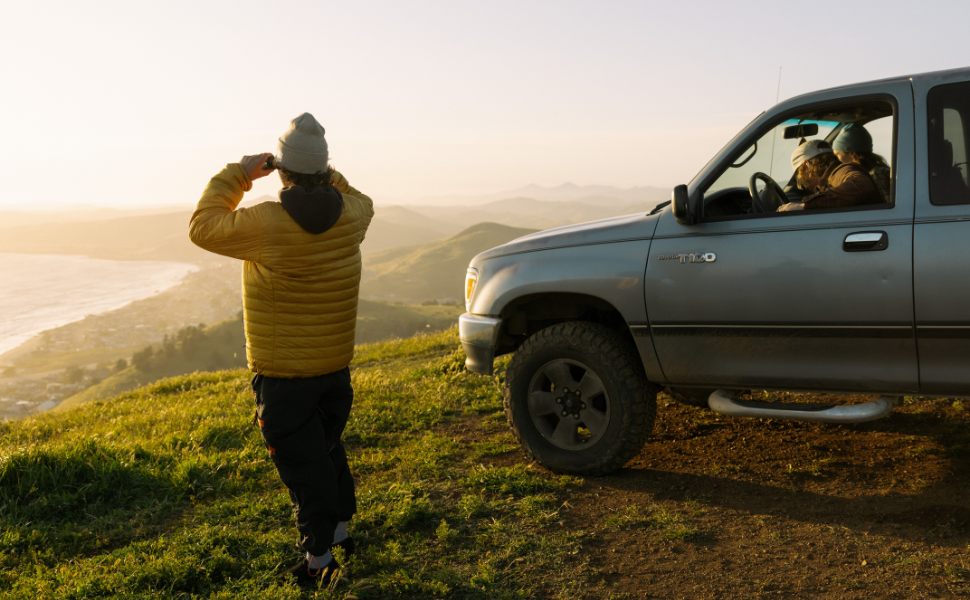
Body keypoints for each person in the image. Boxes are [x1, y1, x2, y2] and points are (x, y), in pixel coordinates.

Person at [188, 113, 374, 587]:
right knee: (327, 449)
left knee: (302, 465)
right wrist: (321, 172)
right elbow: (359, 197)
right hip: (334, 366)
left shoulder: (267, 223)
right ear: (325, 170)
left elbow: (203, 227)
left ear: (283, 172)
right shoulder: (354, 215)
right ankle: (339, 530)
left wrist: (240, 174)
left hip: (284, 374)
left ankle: (319, 561)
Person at [777, 139, 884, 212]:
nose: (802, 185)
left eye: (799, 176)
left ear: (807, 166)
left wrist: (805, 205)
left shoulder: (841, 172)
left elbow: (862, 184)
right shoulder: (831, 179)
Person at [832, 123, 892, 202]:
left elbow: (887, 208)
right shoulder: (865, 173)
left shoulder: (876, 175)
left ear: (852, 153)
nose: (837, 159)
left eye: (838, 154)